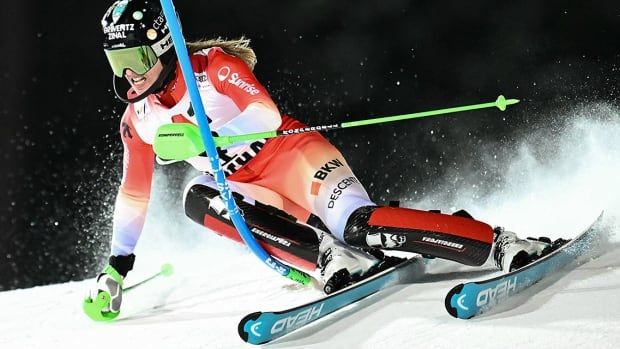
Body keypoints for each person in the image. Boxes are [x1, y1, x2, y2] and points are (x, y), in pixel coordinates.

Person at [88, 0, 563, 315]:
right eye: (116, 63)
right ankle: (325, 258)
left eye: (134, 58)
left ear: (162, 46)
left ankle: (501, 242)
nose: (127, 76)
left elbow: (264, 115)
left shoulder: (211, 68)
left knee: (362, 225)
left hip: (294, 158)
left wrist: (201, 139)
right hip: (253, 192)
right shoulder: (138, 120)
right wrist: (116, 268)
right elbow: (134, 193)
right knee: (197, 197)